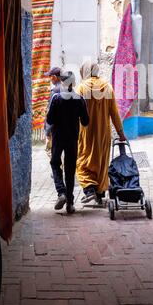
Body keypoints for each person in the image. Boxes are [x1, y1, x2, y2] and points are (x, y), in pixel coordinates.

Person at [76, 62, 126, 204]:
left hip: (86, 132)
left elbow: (74, 112)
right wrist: (121, 133)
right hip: (103, 133)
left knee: (83, 160)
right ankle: (99, 194)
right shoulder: (107, 87)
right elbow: (114, 114)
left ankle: (90, 189)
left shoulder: (81, 88)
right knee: (101, 162)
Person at [46, 71, 89, 213]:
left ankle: (61, 192)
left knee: (55, 163)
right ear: (74, 83)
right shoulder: (79, 99)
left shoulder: (56, 98)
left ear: (62, 82)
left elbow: (50, 120)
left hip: (58, 138)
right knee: (70, 169)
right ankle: (70, 204)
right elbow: (85, 121)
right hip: (72, 139)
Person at [44, 67, 62, 156]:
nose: (49, 79)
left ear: (54, 77)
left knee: (54, 157)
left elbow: (50, 113)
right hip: (66, 130)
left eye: (50, 76)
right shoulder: (70, 89)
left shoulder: (54, 91)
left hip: (55, 130)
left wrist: (47, 132)